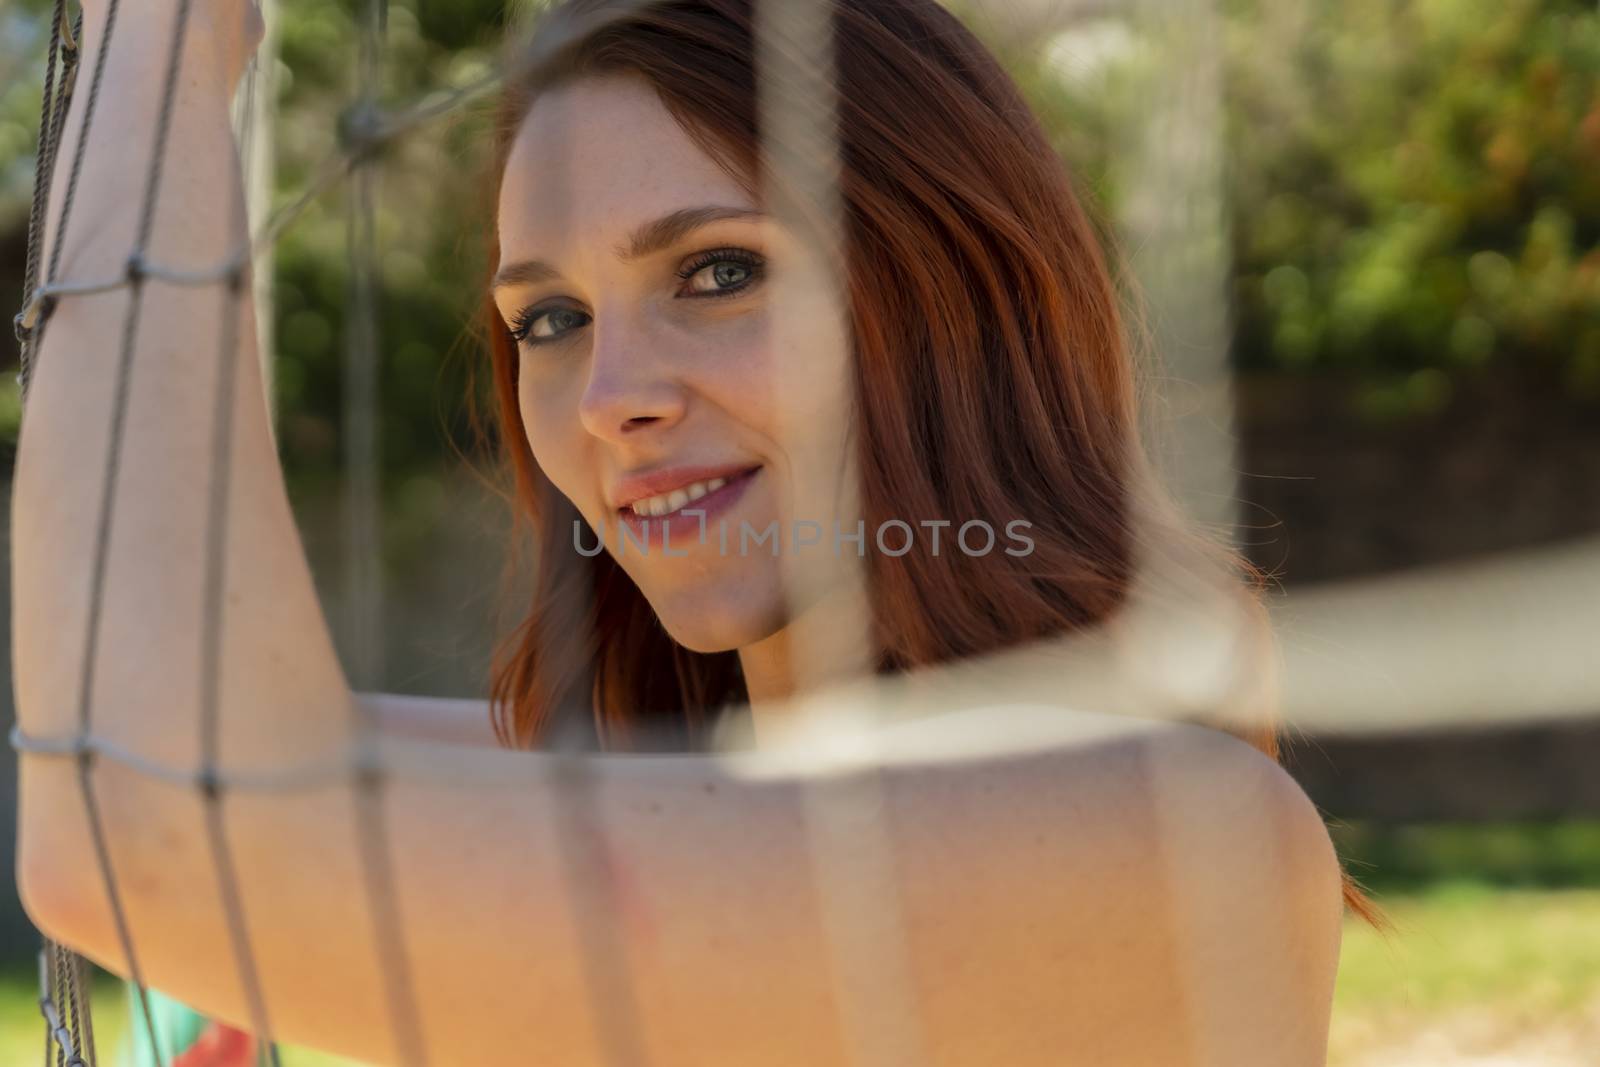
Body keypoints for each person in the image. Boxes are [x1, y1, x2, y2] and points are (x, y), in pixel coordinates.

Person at [13, 1, 1364, 1064]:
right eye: (550, 320)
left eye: (718, 272)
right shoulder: (666, 771)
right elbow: (136, 756)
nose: (610, 402)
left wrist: (165, 46)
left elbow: (155, 818)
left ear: (961, 296)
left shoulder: (1176, 839)